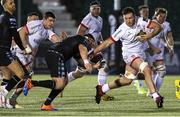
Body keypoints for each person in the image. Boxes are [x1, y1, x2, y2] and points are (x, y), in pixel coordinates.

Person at [91, 7, 164, 108]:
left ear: (135, 16)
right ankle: (156, 96)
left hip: (140, 54)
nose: (129, 21)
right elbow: (107, 42)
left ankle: (102, 89)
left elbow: (158, 27)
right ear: (123, 18)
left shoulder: (141, 21)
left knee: (127, 80)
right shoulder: (122, 29)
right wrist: (93, 52)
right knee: (147, 69)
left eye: (130, 18)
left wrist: (149, 36)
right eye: (126, 18)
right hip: (129, 55)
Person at [0, 11, 65, 108]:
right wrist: (26, 47)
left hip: (28, 57)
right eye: (50, 21)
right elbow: (21, 32)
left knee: (26, 78)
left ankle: (11, 99)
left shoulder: (47, 31)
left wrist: (63, 41)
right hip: (19, 52)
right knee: (21, 74)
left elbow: (56, 40)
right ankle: (3, 95)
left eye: (53, 21)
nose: (52, 23)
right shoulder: (37, 24)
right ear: (44, 19)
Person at [23, 34, 95, 111]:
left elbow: (81, 63)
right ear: (89, 39)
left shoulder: (76, 44)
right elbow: (82, 48)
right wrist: (87, 62)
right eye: (93, 42)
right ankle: (32, 83)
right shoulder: (83, 39)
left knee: (64, 82)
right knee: (59, 84)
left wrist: (93, 66)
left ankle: (46, 105)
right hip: (57, 54)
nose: (93, 44)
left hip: (53, 54)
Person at [69, 0, 114, 101]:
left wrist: (101, 41)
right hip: (88, 48)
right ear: (90, 9)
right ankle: (101, 92)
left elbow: (98, 32)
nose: (96, 10)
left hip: (95, 47)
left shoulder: (100, 19)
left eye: (98, 8)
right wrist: (85, 43)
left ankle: (60, 83)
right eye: (94, 8)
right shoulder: (87, 19)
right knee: (103, 67)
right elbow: (79, 33)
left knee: (80, 73)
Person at [0, 0, 31, 108]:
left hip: (2, 50)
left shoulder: (2, 17)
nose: (13, 5)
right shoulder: (10, 17)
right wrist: (24, 48)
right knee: (22, 74)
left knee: (7, 76)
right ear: (4, 5)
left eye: (13, 3)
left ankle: (1, 102)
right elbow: (15, 35)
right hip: (3, 51)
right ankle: (2, 94)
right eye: (10, 3)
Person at [146, 8, 174, 96]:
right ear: (156, 15)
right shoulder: (149, 23)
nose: (163, 18)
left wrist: (170, 46)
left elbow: (168, 37)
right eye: (160, 16)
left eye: (164, 16)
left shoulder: (166, 25)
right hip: (147, 50)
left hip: (157, 51)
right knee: (148, 72)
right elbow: (143, 37)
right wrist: (152, 48)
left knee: (162, 71)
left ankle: (154, 92)